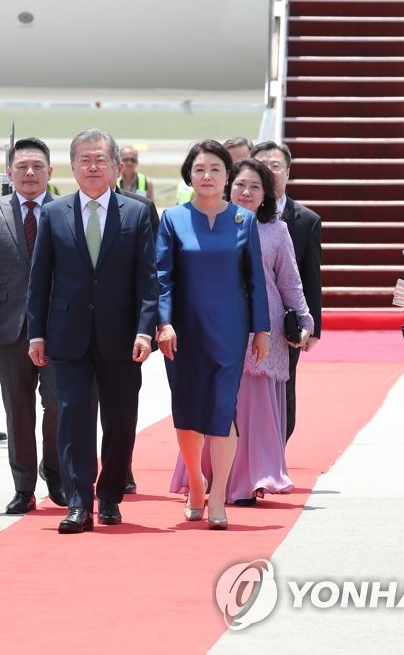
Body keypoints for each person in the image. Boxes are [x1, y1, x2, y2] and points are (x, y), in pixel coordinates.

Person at [27, 128, 158, 533]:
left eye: (101, 159)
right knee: (72, 418)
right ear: (71, 167)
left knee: (120, 420)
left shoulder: (136, 213)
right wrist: (36, 334)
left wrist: (145, 330)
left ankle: (111, 496)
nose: (93, 166)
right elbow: (40, 279)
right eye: (84, 159)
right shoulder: (54, 213)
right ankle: (79, 502)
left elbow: (148, 279)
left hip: (121, 337)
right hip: (68, 334)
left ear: (117, 166)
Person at [174, 158, 312, 508]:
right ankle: (205, 476)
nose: (246, 192)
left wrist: (306, 320)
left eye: (255, 187)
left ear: (266, 194)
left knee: (253, 408)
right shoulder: (210, 223)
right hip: (214, 327)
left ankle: (247, 481)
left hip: (264, 328)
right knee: (217, 403)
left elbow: (290, 281)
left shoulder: (276, 230)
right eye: (240, 185)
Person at [160, 146, 271, 528]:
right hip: (182, 331)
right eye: (199, 169)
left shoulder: (244, 220)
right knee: (187, 413)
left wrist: (262, 329)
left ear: (227, 176)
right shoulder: (172, 219)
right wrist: (164, 322)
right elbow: (162, 279)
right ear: (188, 174)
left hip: (229, 329)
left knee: (223, 411)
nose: (207, 176)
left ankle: (219, 493)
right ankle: (195, 482)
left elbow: (255, 281)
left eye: (215, 169)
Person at [0, 137, 63, 514]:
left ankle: (55, 475)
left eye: (37, 166)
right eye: (22, 166)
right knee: (18, 409)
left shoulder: (66, 211)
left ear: (50, 172)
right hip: (10, 327)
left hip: (59, 326)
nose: (29, 173)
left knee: (58, 405)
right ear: (9, 172)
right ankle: (23, 487)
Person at [251, 141, 321, 442]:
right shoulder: (240, 214)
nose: (269, 171)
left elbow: (310, 276)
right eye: (262, 164)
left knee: (284, 385)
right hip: (246, 317)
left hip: (285, 321)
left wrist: (313, 325)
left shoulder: (305, 220)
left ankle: (277, 448)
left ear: (288, 173)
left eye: (275, 165)